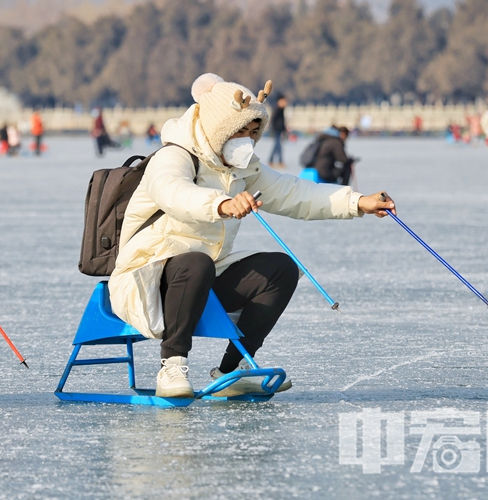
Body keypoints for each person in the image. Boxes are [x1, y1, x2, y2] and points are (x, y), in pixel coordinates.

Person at [109, 73, 395, 398]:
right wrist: (223, 203)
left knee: (280, 270)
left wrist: (357, 201)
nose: (247, 138)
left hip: (203, 276)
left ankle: (231, 371)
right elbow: (172, 192)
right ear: (218, 128)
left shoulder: (241, 168)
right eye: (239, 131)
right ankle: (172, 366)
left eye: (253, 131)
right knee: (196, 263)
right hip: (147, 277)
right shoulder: (173, 156)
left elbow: (293, 193)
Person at [267, 93, 288, 168]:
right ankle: (277, 161)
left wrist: (284, 128)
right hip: (277, 130)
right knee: (278, 146)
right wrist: (274, 128)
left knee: (277, 146)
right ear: (280, 101)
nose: (285, 103)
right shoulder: (277, 109)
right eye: (284, 101)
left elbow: (282, 121)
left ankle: (273, 161)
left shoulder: (282, 109)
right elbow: (273, 120)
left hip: (280, 130)